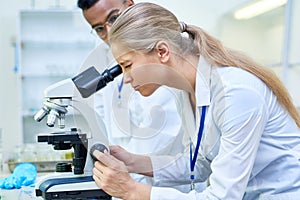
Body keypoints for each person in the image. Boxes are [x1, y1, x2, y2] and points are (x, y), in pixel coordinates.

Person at [91, 2, 300, 199]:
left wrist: (133, 191)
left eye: (127, 65)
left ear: (162, 52)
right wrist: (134, 162)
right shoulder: (187, 92)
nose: (126, 78)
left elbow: (222, 197)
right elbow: (200, 165)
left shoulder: (234, 93)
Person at [77, 0, 207, 193]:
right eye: (98, 29)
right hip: (138, 182)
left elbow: (191, 159)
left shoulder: (167, 69)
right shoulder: (110, 61)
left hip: (171, 189)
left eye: (114, 18)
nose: (110, 33)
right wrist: (128, 163)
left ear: (130, 5)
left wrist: (131, 187)